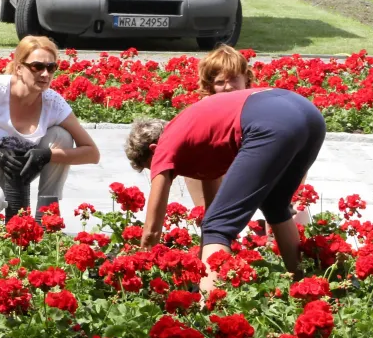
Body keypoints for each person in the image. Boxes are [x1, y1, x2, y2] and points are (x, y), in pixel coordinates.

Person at [127, 87, 326, 292]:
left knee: (218, 226)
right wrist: (201, 264)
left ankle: (208, 306)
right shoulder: (193, 134)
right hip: (308, 114)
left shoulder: (165, 144)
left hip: (273, 123)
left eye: (153, 167)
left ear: (153, 150)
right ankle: (303, 286)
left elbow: (151, 232)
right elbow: (213, 208)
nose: (165, 173)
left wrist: (143, 274)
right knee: (275, 205)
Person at [0, 36, 100, 223]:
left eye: (51, 67)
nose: (45, 74)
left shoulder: (53, 103)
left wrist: (47, 155)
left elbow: (92, 153)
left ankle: (46, 218)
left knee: (61, 136)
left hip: (11, 172)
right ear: (19, 68)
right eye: (37, 67)